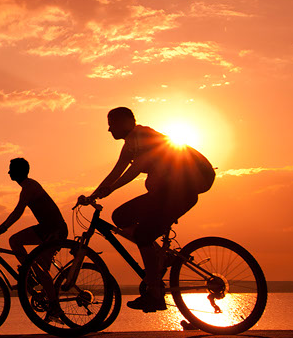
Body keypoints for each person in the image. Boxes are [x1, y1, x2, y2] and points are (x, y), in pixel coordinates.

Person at [81, 107, 214, 312]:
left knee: (143, 235)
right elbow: (116, 172)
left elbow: (135, 169)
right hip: (168, 193)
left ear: (126, 122)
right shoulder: (129, 146)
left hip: (181, 191)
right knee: (120, 216)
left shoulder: (143, 135)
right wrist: (94, 194)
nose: (109, 129)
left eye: (112, 123)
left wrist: (111, 189)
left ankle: (154, 293)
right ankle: (161, 257)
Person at [0, 157, 68, 274]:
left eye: (11, 169)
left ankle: (27, 274)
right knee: (41, 269)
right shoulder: (30, 185)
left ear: (18, 171)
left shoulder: (29, 188)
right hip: (50, 228)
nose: (9, 172)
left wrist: (2, 228)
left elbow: (18, 212)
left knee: (15, 242)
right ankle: (28, 277)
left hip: (53, 230)